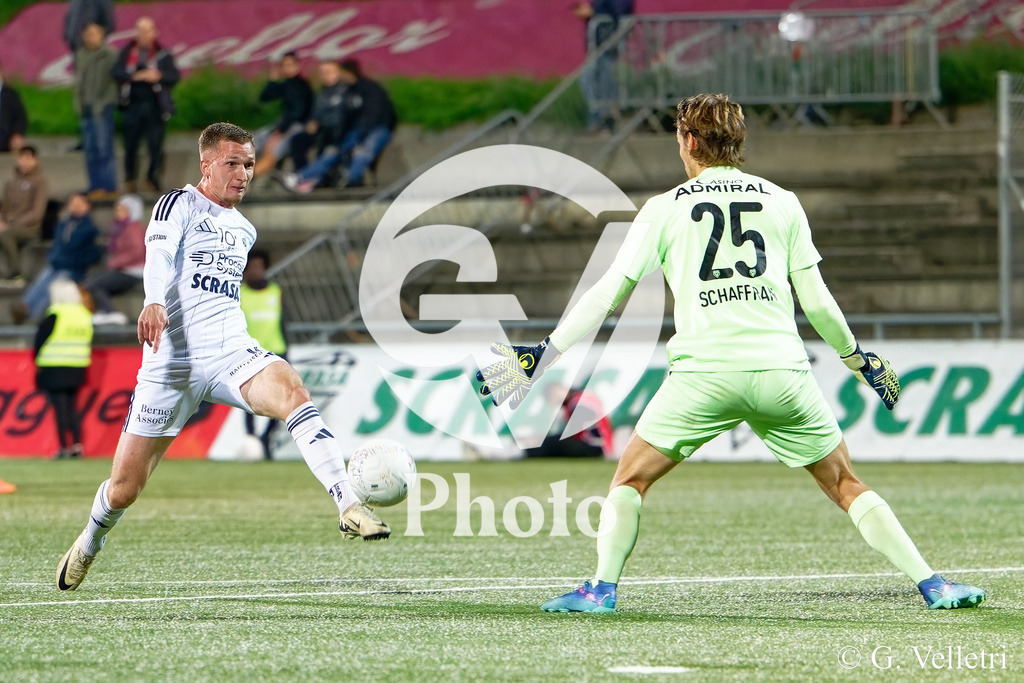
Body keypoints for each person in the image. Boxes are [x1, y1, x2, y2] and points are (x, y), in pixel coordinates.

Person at [477, 93, 986, 612]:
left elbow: (608, 293)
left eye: (679, 136)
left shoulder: (663, 209)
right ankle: (933, 583)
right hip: (782, 373)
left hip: (704, 376)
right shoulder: (783, 200)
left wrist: (543, 353)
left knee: (630, 479)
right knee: (844, 482)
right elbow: (818, 303)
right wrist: (861, 361)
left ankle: (601, 589)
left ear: (690, 140)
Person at [55, 122, 390, 592]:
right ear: (206, 164)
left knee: (293, 391)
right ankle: (90, 542)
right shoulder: (178, 204)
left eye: (249, 164)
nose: (243, 173)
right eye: (233, 163)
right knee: (125, 488)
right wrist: (153, 300)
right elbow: (160, 252)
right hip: (170, 365)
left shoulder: (244, 229)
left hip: (230, 351)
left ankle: (348, 504)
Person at [280, 59, 396, 193]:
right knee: (333, 152)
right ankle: (301, 177)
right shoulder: (346, 91)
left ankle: (351, 179)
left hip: (376, 129)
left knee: (362, 152)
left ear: (347, 73)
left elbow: (377, 114)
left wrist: (359, 138)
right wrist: (340, 139)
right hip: (356, 130)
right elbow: (346, 118)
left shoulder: (370, 89)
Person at [111, 16, 180, 194]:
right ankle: (130, 179)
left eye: (148, 30)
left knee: (155, 144)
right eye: (140, 30)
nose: (144, 34)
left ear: (154, 33)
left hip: (154, 105)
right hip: (133, 104)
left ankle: (152, 178)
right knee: (130, 145)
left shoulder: (161, 54)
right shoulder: (128, 52)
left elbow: (174, 76)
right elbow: (116, 72)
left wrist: (158, 76)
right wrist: (134, 76)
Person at [18, 192, 101, 321]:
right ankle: (23, 308)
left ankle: (33, 317)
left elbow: (89, 252)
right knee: (41, 280)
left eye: (80, 203)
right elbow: (57, 247)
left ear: (87, 206)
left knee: (53, 286)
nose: (76, 206)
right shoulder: (62, 225)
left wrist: (74, 261)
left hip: (73, 269)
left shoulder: (89, 229)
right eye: (73, 203)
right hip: (57, 265)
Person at [35, 278, 94, 459]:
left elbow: (39, 341)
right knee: (72, 408)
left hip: (54, 368)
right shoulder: (84, 315)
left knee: (60, 409)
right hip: (77, 367)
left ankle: (64, 448)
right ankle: (77, 445)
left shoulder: (55, 313)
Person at [239, 248, 288, 459]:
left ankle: (266, 437)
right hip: (249, 354)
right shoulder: (239, 293)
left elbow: (283, 323)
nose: (256, 270)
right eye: (252, 267)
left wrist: (288, 352)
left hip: (276, 352)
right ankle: (251, 439)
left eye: (260, 266)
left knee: (279, 403)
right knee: (248, 401)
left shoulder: (275, 291)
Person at [572, 0, 633, 133]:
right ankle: (599, 117)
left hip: (607, 49)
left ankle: (605, 118)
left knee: (605, 83)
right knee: (590, 81)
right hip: (598, 49)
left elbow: (619, 12)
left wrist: (594, 13)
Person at [84, 193, 146, 325]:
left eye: (121, 209)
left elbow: (137, 251)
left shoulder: (132, 228)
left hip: (132, 271)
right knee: (91, 281)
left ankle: (108, 312)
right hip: (123, 269)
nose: (117, 212)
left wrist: (117, 262)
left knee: (95, 284)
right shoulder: (121, 227)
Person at [251, 52, 314, 177]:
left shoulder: (302, 86)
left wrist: (280, 131)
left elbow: (298, 113)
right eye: (284, 65)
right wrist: (273, 79)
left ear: (297, 66)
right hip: (283, 124)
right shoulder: (287, 84)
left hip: (296, 126)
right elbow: (265, 97)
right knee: (253, 140)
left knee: (274, 147)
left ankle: (249, 177)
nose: (287, 68)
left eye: (290, 64)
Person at [76, 23, 119, 200]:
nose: (90, 37)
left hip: (102, 110)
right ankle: (95, 186)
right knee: (90, 149)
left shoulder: (109, 55)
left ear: (101, 35)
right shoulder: (81, 55)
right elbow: (79, 83)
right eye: (87, 34)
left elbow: (113, 84)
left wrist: (102, 104)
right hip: (86, 109)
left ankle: (108, 187)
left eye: (94, 34)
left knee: (104, 149)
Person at [288, 59, 349, 174]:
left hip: (335, 130)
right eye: (323, 72)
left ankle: (316, 176)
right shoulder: (322, 92)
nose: (326, 76)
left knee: (325, 141)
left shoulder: (344, 91)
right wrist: (311, 122)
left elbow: (341, 116)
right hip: (319, 128)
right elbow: (315, 112)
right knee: (297, 140)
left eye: (329, 72)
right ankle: (301, 171)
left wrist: (320, 122)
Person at [0, 146, 49, 283]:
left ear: (35, 160)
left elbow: (37, 212)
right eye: (22, 157)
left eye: (29, 158)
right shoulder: (11, 180)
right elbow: (4, 206)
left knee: (5, 234)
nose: (25, 161)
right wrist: (2, 220)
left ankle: (17, 271)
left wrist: (13, 223)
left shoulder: (40, 181)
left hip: (30, 227)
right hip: (9, 223)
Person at [524, 384, 613, 458]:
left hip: (595, 446)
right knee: (554, 442)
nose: (554, 400)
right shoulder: (578, 400)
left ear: (560, 389)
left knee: (555, 443)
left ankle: (524, 452)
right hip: (595, 445)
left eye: (553, 395)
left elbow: (575, 429)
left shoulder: (579, 400)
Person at [0, 62, 27, 153]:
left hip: (5, 137)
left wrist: (17, 133)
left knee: (18, 143)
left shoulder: (10, 94)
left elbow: (21, 117)